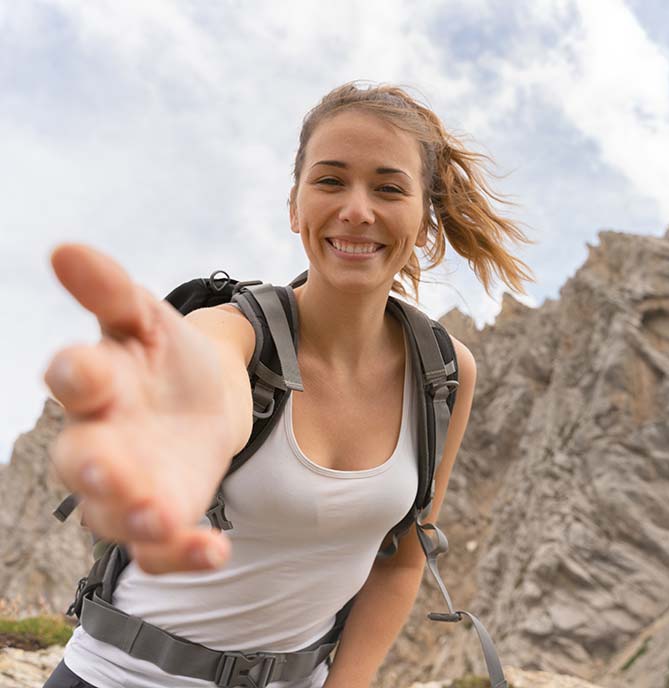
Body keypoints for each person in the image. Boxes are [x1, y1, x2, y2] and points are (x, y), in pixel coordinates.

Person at [42, 82, 535, 688]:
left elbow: (401, 561)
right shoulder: (231, 332)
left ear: (424, 220)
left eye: (388, 187)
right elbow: (212, 388)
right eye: (330, 181)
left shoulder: (444, 372)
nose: (357, 208)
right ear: (295, 206)